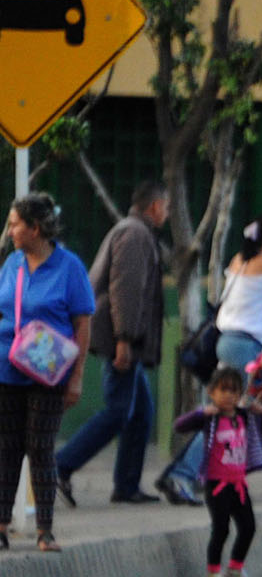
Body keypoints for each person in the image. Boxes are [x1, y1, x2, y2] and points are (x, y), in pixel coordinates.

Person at [156, 213, 262, 505]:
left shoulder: (240, 261)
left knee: (256, 415)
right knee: (234, 416)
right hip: (248, 350)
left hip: (229, 344)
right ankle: (183, 474)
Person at [54, 181, 169, 506]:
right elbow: (125, 291)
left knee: (141, 412)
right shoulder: (134, 234)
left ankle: (127, 486)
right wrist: (124, 340)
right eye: (168, 206)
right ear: (156, 206)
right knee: (119, 410)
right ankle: (60, 465)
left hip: (125, 337)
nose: (168, 213)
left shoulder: (135, 231)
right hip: (122, 338)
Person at [0, 194, 94, 552]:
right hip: (7, 367)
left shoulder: (70, 267)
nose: (10, 231)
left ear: (34, 228)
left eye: (15, 224)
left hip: (49, 373)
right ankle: (1, 524)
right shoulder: (12, 265)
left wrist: (77, 376)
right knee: (6, 448)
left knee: (39, 447)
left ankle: (45, 529)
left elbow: (82, 324)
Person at [173, 366, 262, 577]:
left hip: (238, 485)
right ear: (212, 392)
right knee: (221, 528)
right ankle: (213, 574)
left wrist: (259, 409)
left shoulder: (243, 416)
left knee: (248, 526)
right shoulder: (210, 419)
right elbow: (179, 426)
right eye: (223, 390)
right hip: (217, 485)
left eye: (234, 391)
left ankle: (234, 569)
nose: (228, 395)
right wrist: (200, 413)